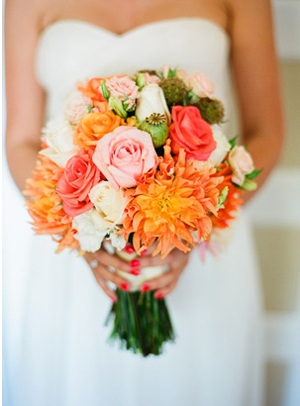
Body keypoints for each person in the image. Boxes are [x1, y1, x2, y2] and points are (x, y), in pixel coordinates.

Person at [3, 0, 284, 405]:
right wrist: (84, 227)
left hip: (202, 248)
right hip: (78, 262)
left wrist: (196, 224)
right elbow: (20, 141)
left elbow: (266, 132)